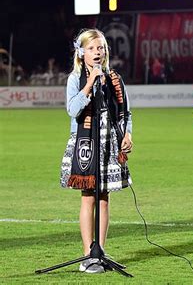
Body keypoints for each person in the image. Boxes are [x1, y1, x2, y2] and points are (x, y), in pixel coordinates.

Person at [60, 29, 133, 273]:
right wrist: (89, 84)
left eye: (100, 48)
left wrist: (127, 134)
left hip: (108, 140)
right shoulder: (75, 78)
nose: (97, 52)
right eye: (91, 48)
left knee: (104, 198)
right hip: (86, 142)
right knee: (88, 197)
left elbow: (125, 112)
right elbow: (73, 110)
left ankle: (100, 250)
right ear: (81, 53)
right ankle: (87, 253)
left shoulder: (113, 78)